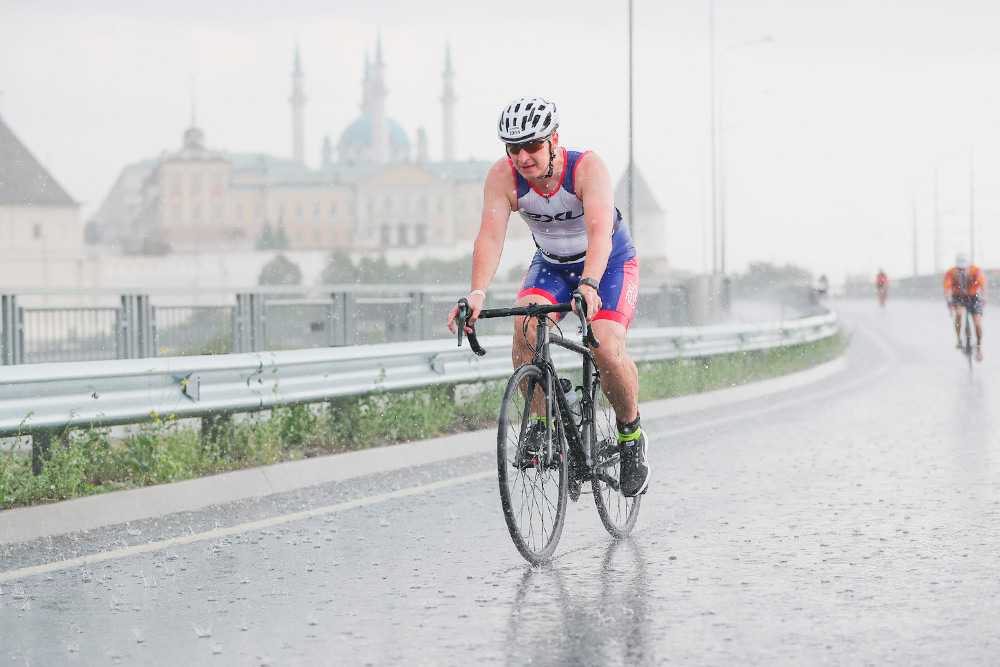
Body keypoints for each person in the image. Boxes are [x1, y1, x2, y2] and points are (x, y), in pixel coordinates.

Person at [445, 96, 650, 496]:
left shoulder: (587, 168)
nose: (522, 157)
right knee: (524, 331)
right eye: (513, 148)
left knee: (606, 347)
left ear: (554, 140)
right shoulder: (503, 177)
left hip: (608, 262)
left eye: (533, 146)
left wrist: (589, 283)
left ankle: (630, 437)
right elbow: (490, 236)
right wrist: (476, 293)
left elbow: (598, 236)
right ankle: (541, 422)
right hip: (553, 264)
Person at [944, 252, 987, 361]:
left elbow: (983, 286)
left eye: (964, 268)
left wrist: (983, 298)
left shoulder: (976, 271)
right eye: (960, 268)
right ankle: (959, 340)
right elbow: (947, 289)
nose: (962, 270)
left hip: (973, 297)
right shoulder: (951, 273)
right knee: (958, 313)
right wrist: (949, 301)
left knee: (977, 322)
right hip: (958, 296)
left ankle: (978, 347)